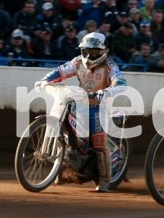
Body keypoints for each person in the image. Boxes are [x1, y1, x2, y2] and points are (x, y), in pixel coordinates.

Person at [34, 32, 127, 192]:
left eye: (94, 52)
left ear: (103, 51)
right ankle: (61, 167)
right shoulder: (77, 62)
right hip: (78, 104)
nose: (89, 55)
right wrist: (45, 81)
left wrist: (108, 91)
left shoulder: (110, 66)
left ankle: (104, 180)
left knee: (98, 143)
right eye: (86, 51)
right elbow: (60, 71)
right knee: (64, 128)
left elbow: (121, 82)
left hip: (99, 107)